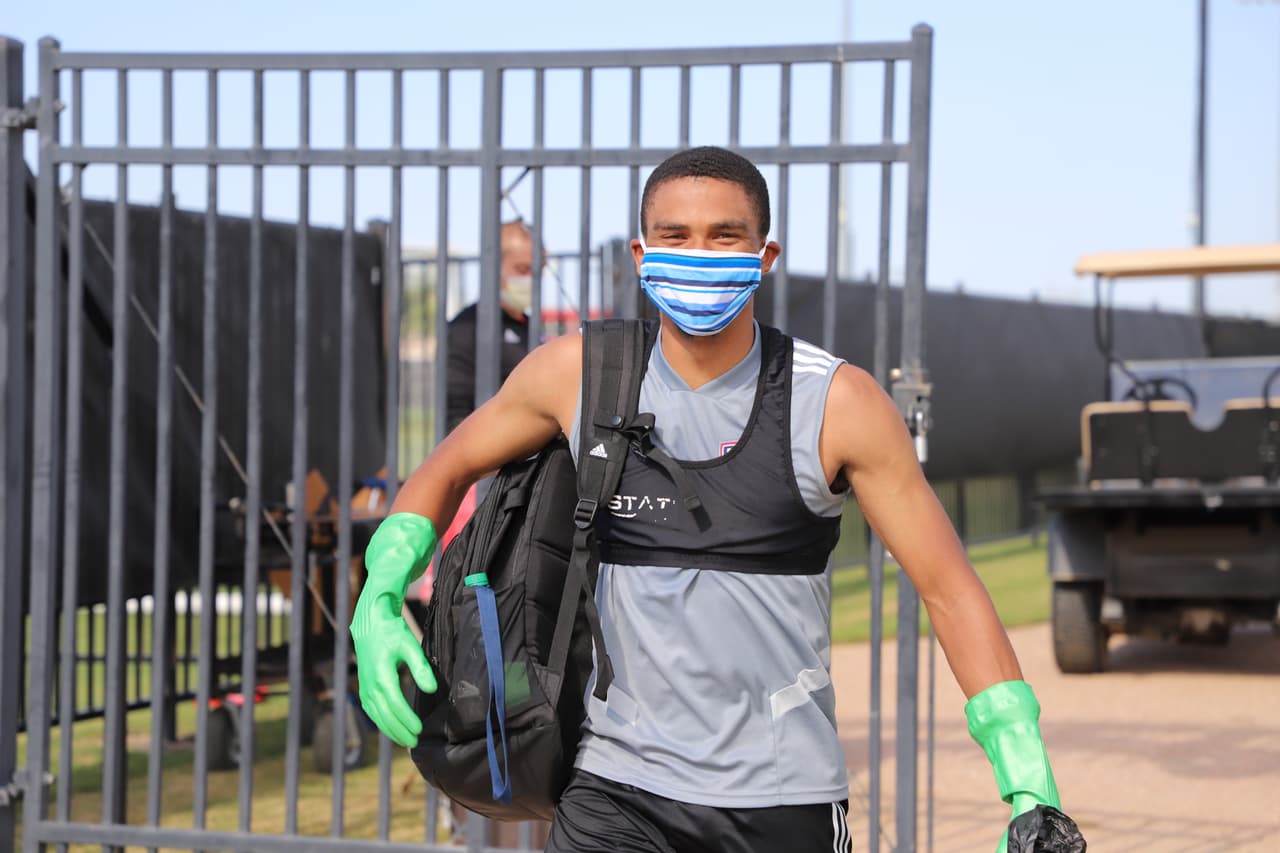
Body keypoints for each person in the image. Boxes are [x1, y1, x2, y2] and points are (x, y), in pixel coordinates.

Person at [352, 146, 1077, 853]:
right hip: (615, 787)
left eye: (724, 236)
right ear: (641, 255)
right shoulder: (578, 375)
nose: (699, 254)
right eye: (676, 236)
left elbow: (947, 587)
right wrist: (380, 591)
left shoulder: (837, 403)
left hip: (782, 797)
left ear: (765, 255)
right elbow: (447, 468)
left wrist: (1026, 776)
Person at [444, 219, 538, 434]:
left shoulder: (529, 325)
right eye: (522, 269)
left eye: (536, 271)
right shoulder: (466, 328)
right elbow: (454, 413)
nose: (531, 280)